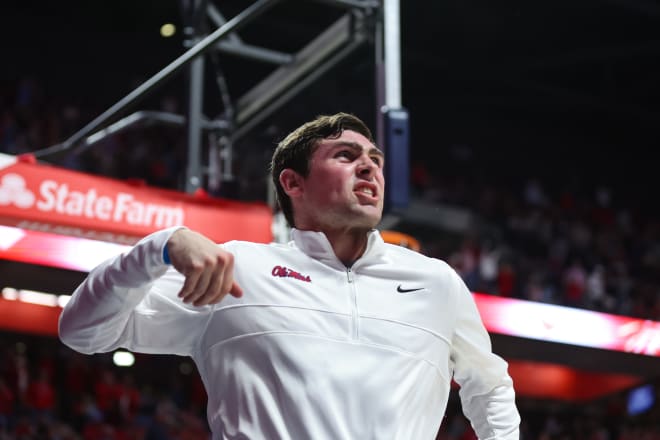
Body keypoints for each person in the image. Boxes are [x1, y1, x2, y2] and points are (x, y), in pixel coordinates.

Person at [59, 113, 520, 439]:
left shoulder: (436, 282)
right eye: (345, 154)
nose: (369, 166)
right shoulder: (237, 267)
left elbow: (489, 383)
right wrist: (158, 247)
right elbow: (82, 332)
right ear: (292, 183)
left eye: (375, 158)